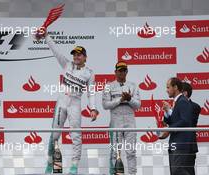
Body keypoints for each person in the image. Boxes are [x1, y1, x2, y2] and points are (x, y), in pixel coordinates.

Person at [36, 33, 99, 174]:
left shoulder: (89, 73)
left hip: (75, 103)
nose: (76, 57)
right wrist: (46, 36)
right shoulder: (66, 64)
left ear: (85, 57)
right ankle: (50, 163)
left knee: (76, 135)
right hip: (61, 102)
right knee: (54, 135)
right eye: (74, 54)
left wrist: (93, 108)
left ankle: (74, 166)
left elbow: (91, 93)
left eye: (79, 55)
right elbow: (55, 50)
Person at [102, 61, 140, 175]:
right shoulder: (108, 86)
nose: (122, 72)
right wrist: (120, 100)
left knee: (131, 152)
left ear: (127, 72)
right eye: (120, 70)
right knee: (115, 152)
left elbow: (138, 105)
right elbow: (105, 105)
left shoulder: (133, 85)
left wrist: (129, 99)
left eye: (124, 70)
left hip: (130, 122)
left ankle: (132, 174)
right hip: (116, 121)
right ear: (115, 72)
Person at [162, 81, 201, 175]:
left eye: (168, 87)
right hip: (177, 143)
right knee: (178, 171)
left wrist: (169, 129)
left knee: (179, 171)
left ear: (175, 87)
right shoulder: (177, 102)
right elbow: (174, 120)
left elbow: (185, 121)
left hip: (182, 144)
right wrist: (168, 111)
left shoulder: (183, 102)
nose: (166, 90)